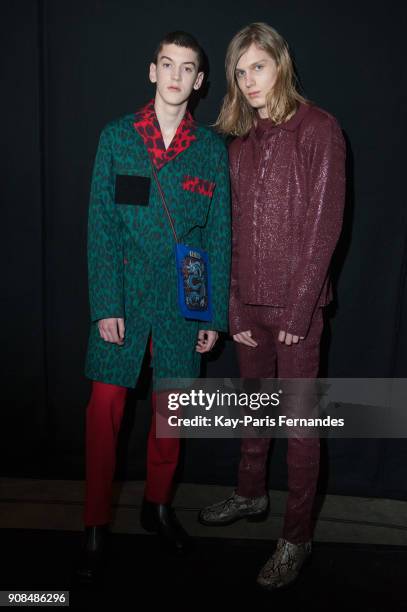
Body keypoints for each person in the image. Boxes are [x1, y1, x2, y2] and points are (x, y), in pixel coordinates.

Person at [78, 30, 230, 581]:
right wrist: (104, 305)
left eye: (186, 68)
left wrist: (210, 315)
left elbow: (215, 237)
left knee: (172, 416)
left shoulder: (211, 150)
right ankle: (95, 523)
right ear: (152, 71)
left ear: (199, 81)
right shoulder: (118, 137)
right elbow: (101, 227)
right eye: (166, 64)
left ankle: (157, 507)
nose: (174, 75)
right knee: (103, 414)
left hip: (179, 301)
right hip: (121, 294)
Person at [199, 22, 346, 590]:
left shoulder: (319, 128)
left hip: (295, 314)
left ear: (280, 63)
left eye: (256, 66)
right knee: (254, 411)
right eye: (240, 71)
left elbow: (324, 227)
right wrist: (233, 308)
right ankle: (251, 494)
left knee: (301, 427)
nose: (248, 79)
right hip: (250, 311)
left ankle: (295, 537)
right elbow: (228, 232)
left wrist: (300, 309)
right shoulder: (239, 144)